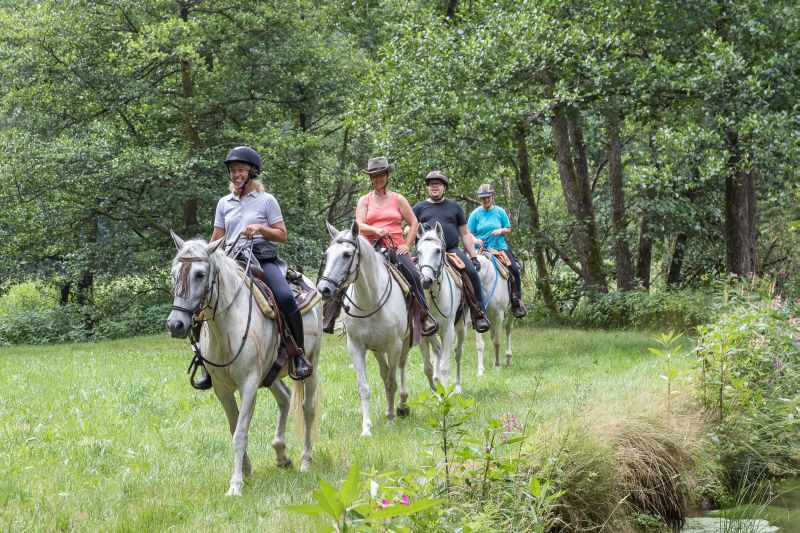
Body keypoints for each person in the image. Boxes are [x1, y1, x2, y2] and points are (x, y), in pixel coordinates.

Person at [193, 146, 311, 390]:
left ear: (252, 172)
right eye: (233, 170)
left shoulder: (267, 201)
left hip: (261, 259)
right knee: (200, 304)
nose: (236, 174)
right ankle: (205, 363)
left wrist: (260, 228)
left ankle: (297, 354)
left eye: (241, 170)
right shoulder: (224, 203)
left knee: (286, 298)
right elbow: (217, 238)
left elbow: (282, 235)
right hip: (231, 262)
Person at [323, 157, 438, 336]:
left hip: (395, 247)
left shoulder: (398, 199)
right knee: (344, 272)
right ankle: (330, 316)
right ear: (371, 178)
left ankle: (423, 318)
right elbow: (359, 224)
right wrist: (376, 230)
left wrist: (407, 245)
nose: (378, 179)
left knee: (414, 275)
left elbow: (414, 222)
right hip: (369, 249)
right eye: (374, 176)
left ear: (387, 175)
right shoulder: (365, 200)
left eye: (381, 175)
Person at [412, 171, 491, 333]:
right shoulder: (419, 207)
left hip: (451, 250)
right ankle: (411, 314)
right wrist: (421, 229)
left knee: (471, 272)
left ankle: (478, 314)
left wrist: (474, 256)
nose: (434, 186)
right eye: (431, 184)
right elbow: (409, 228)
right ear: (427, 188)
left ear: (444, 188)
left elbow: (465, 233)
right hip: (426, 252)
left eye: (438, 184)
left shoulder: (454, 207)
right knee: (407, 272)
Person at [468, 183, 527, 318]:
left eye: (488, 197)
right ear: (480, 199)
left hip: (499, 248)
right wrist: (475, 239)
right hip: (480, 249)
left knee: (514, 269)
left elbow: (508, 228)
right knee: (467, 272)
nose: (486, 200)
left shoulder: (500, 212)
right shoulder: (475, 214)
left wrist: (500, 230)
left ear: (493, 197)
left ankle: (516, 301)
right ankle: (467, 304)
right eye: (483, 198)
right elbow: (469, 233)